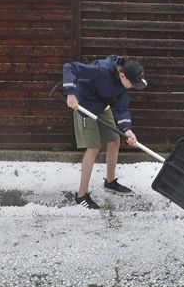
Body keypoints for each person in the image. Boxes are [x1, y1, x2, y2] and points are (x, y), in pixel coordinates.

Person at [62, 55, 148, 209]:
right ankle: (81, 195)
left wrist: (128, 130)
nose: (133, 86)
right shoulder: (101, 70)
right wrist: (70, 93)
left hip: (102, 105)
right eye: (133, 83)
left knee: (115, 141)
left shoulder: (123, 85)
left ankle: (110, 182)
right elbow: (70, 67)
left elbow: (121, 109)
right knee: (94, 147)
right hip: (84, 105)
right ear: (122, 75)